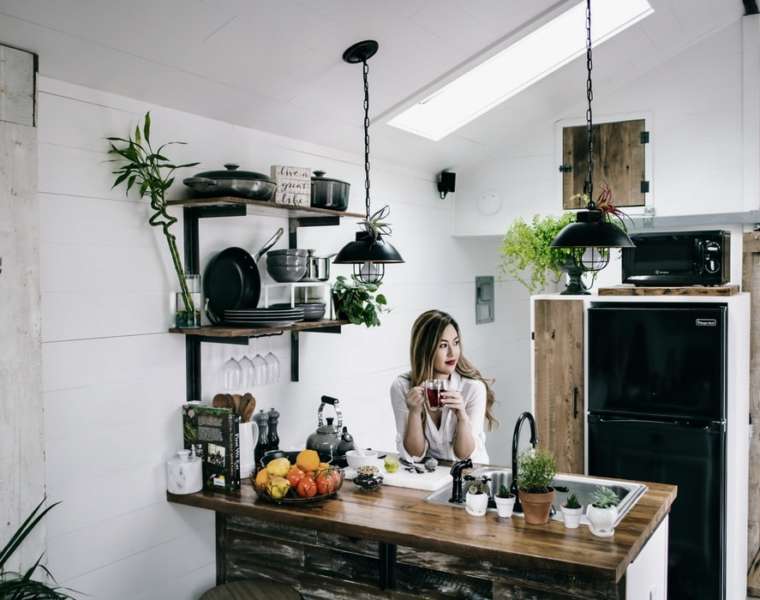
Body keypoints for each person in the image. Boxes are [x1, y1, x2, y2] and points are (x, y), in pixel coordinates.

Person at [390, 310, 497, 464]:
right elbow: (414, 454)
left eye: (456, 343)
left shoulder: (473, 388)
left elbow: (464, 455)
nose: (452, 352)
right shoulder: (402, 387)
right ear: (425, 349)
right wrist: (414, 412)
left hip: (471, 472)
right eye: (443, 345)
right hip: (432, 474)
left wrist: (462, 416)